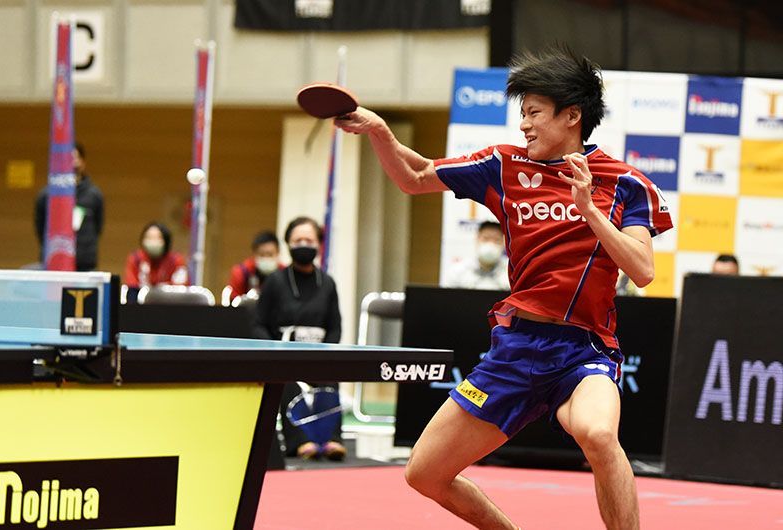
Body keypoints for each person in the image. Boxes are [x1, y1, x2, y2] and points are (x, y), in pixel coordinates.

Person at [335, 44, 672, 530]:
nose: (524, 125)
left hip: (583, 351)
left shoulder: (624, 184)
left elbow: (642, 269)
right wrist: (379, 131)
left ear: (571, 115)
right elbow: (415, 176)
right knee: (424, 473)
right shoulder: (503, 165)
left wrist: (590, 211)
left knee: (599, 435)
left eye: (534, 112)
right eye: (523, 114)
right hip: (516, 349)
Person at [252, 216, 346, 461]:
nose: (303, 244)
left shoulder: (327, 283)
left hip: (318, 356)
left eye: (309, 240)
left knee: (330, 378)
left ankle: (332, 439)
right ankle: (302, 441)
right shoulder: (275, 282)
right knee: (287, 382)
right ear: (288, 244)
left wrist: (325, 352)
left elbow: (335, 327)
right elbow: (258, 324)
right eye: (298, 240)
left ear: (318, 244)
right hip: (283, 357)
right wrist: (276, 350)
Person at [34, 142, 104, 271]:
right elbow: (40, 227)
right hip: (54, 260)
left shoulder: (94, 194)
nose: (71, 163)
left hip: (84, 262)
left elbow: (98, 227)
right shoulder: (46, 195)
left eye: (75, 158)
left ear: (83, 162)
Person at [446, 220, 510, 290]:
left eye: (497, 240)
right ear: (477, 239)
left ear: (504, 243)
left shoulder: (512, 273)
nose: (490, 244)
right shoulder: (458, 271)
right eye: (486, 238)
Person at [123, 222, 188, 289]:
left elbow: (180, 287)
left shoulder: (176, 260)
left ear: (166, 240)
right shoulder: (136, 259)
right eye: (149, 237)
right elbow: (131, 286)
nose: (152, 242)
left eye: (157, 238)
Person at [227, 230, 285, 301]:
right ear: (254, 254)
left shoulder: (285, 273)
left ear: (278, 253)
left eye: (270, 254)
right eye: (262, 254)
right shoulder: (241, 272)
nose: (266, 258)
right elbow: (234, 300)